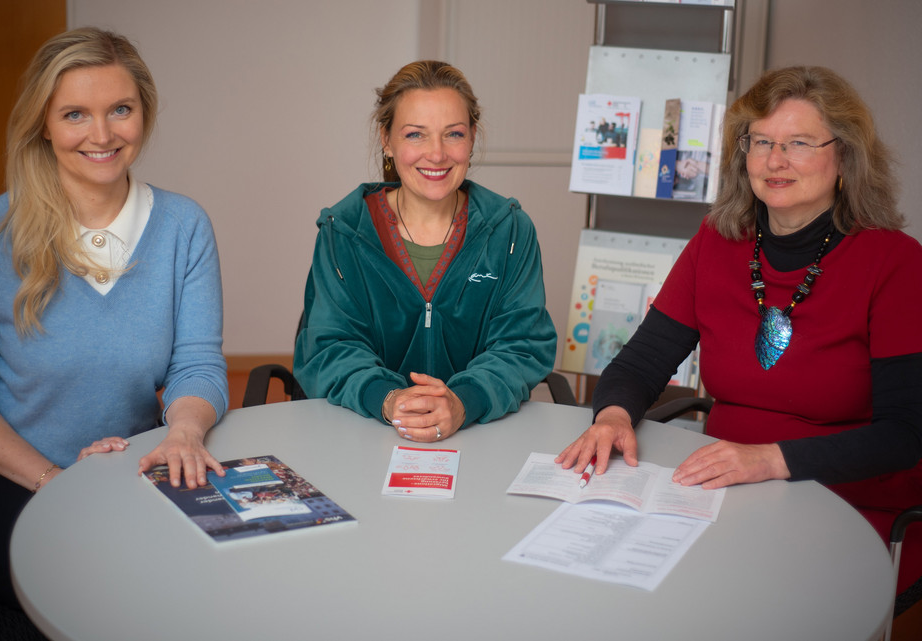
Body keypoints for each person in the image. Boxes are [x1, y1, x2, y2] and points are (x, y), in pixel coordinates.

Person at [556, 66, 922, 597]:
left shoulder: (895, 262)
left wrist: (770, 458)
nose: (775, 160)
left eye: (798, 142)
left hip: (848, 504)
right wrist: (612, 415)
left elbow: (905, 435)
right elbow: (641, 362)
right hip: (720, 494)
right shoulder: (717, 240)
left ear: (843, 155)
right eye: (761, 142)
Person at [0, 28, 229, 610]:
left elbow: (198, 364)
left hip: (127, 472)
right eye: (76, 114)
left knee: (210, 577)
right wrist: (56, 485)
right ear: (44, 124)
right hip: (6, 477)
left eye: (120, 110)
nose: (102, 135)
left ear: (144, 115)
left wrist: (184, 431)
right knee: (91, 582)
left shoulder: (184, 226)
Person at [294, 60, 556, 443]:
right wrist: (389, 400)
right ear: (387, 139)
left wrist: (463, 401)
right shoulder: (344, 232)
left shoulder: (511, 231)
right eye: (416, 135)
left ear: (472, 138)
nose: (436, 154)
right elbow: (329, 346)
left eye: (453, 134)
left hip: (482, 439)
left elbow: (522, 344)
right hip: (363, 437)